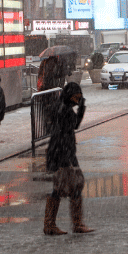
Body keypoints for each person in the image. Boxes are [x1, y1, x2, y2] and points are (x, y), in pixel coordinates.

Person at [43, 82, 94, 235]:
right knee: (70, 186)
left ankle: (53, 224)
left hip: (60, 152)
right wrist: (82, 109)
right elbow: (75, 125)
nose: (78, 100)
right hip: (63, 153)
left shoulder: (59, 107)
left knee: (66, 187)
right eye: (76, 97)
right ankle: (70, 224)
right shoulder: (64, 110)